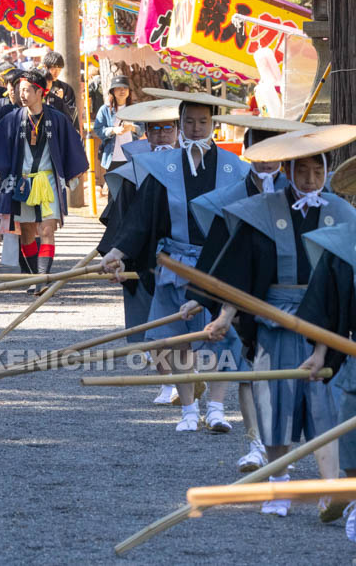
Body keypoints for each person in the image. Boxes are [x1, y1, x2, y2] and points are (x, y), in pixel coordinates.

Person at [196, 125, 356, 516]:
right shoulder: (265, 212)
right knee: (275, 404)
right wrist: (225, 315)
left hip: (326, 326)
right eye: (301, 171)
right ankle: (279, 485)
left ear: (327, 171)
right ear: (287, 170)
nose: (310, 180)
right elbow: (240, 272)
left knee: (326, 408)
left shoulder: (343, 212)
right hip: (275, 321)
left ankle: (331, 489)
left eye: (317, 172)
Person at [101, 89, 250, 431]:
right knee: (177, 340)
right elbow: (141, 219)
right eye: (189, 121)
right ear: (180, 124)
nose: (196, 128)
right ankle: (187, 411)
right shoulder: (164, 167)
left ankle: (215, 408)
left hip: (218, 266)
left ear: (214, 124)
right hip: (175, 263)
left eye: (203, 121)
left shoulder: (233, 167)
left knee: (219, 338)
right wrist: (117, 252)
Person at [95, 99, 181, 404]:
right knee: (149, 320)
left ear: (177, 130)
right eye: (154, 129)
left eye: (167, 128)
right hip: (141, 253)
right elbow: (122, 214)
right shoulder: (134, 165)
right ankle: (166, 382)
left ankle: (191, 381)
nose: (160, 135)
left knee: (184, 318)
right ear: (145, 132)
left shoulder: (191, 163)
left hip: (183, 253)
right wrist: (116, 252)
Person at [0, 69, 89, 294]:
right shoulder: (13, 119)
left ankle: (43, 280)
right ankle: (36, 276)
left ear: (40, 92)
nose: (21, 94)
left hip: (48, 181)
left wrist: (73, 174)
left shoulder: (57, 119)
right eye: (20, 90)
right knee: (26, 232)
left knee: (46, 229)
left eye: (27, 90)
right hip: (22, 183)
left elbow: (72, 145)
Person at [295, 154, 356, 537]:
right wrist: (319, 354)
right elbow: (325, 305)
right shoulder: (343, 247)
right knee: (351, 437)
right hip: (354, 357)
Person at [93, 76, 141, 175]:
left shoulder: (135, 108)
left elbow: (142, 128)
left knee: (131, 189)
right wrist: (113, 130)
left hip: (131, 157)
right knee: (114, 189)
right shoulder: (105, 109)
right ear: (113, 91)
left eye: (125, 88)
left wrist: (132, 128)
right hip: (112, 158)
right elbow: (98, 129)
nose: (122, 91)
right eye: (118, 88)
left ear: (129, 91)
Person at [43, 51, 78, 130]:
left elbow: (72, 115)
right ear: (45, 67)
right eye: (53, 68)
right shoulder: (37, 86)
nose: (57, 73)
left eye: (59, 69)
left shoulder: (66, 89)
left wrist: (60, 102)